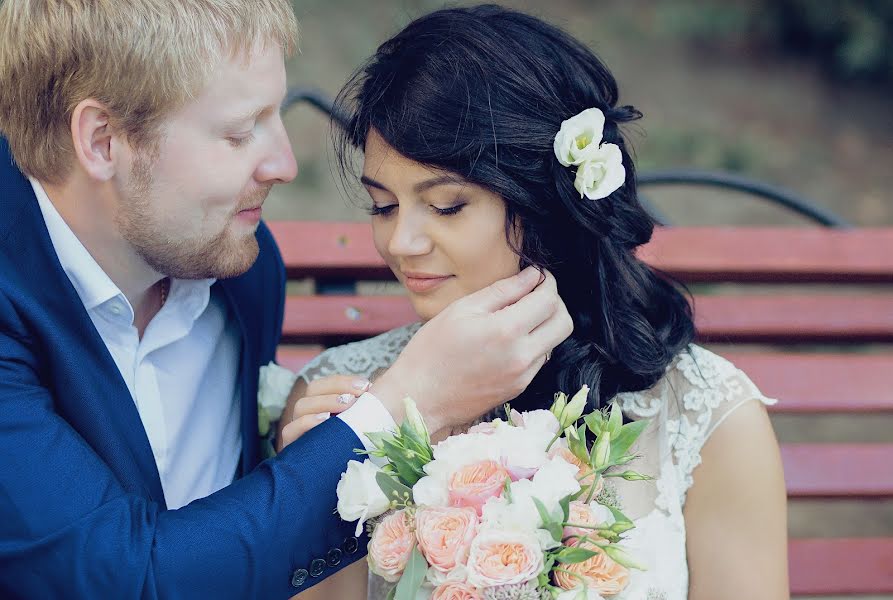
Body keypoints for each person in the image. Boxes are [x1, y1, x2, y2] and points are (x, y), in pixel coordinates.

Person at [0, 1, 573, 598]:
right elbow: (127, 579)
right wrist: (409, 404)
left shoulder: (239, 264)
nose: (284, 164)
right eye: (240, 132)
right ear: (102, 140)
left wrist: (303, 454)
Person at [282, 5, 788, 600]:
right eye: (383, 206)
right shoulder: (345, 406)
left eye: (446, 205)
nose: (401, 243)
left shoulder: (707, 419)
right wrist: (315, 483)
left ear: (547, 203)